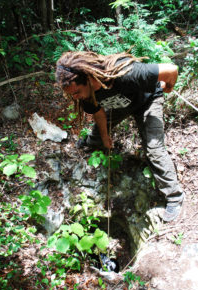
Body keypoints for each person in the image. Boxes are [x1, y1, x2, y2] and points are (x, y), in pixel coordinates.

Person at [55, 51, 184, 222]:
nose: (75, 97)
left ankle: (174, 196)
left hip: (148, 101)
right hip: (120, 105)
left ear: (87, 78)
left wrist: (169, 86)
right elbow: (99, 113)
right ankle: (91, 142)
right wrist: (105, 136)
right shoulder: (85, 94)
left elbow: (171, 69)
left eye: (77, 92)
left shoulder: (125, 74)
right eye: (72, 94)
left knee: (154, 149)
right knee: (99, 136)